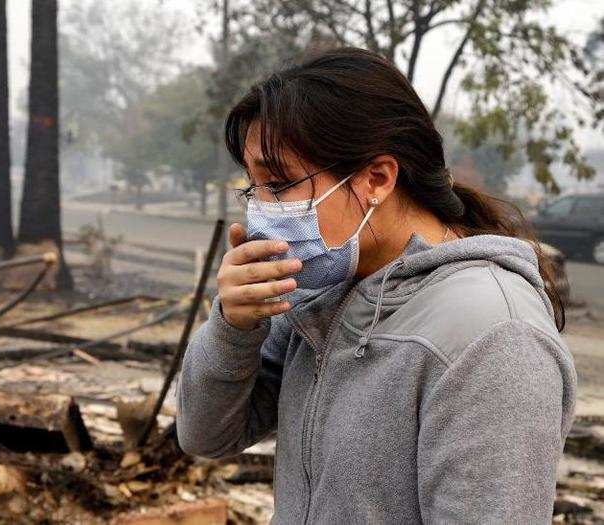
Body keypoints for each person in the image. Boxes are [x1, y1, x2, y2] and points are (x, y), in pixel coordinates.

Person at [175, 47, 577, 524]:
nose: (260, 210)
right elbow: (206, 435)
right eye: (253, 188)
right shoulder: (321, 291)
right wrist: (232, 327)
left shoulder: (496, 337)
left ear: (378, 179)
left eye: (279, 184)